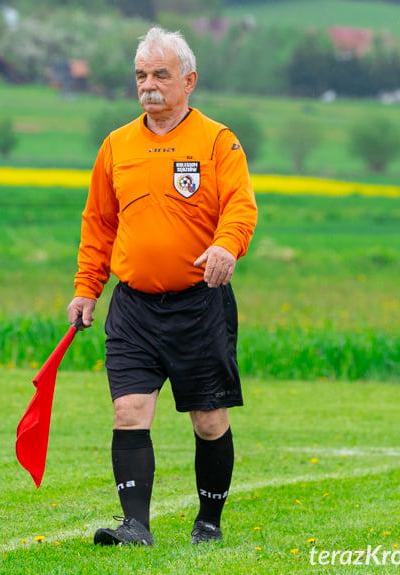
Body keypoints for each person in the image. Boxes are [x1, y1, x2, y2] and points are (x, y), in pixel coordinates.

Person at [67, 26, 258, 547]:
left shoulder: (219, 142)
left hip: (199, 306)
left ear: (189, 80)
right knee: (129, 409)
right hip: (133, 307)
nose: (148, 85)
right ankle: (136, 526)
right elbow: (99, 225)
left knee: (208, 419)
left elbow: (241, 207)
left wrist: (226, 245)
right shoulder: (116, 146)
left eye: (160, 74)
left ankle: (209, 521)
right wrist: (87, 288)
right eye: (140, 75)